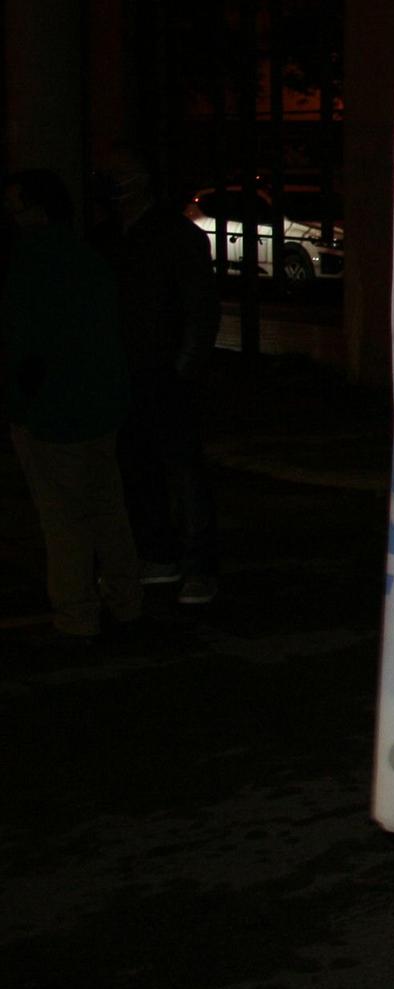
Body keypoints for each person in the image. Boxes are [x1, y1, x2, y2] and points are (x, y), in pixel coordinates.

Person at [3, 170, 144, 640]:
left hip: (52, 409)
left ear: (35, 211)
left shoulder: (27, 263)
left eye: (18, 206)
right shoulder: (89, 257)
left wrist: (19, 407)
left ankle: (77, 614)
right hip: (101, 403)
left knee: (62, 518)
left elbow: (20, 345)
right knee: (107, 506)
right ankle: (126, 599)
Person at [94, 150, 220, 605]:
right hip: (126, 372)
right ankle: (159, 555)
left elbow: (200, 306)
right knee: (137, 466)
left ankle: (197, 566)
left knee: (181, 469)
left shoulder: (174, 235)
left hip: (165, 371)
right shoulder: (110, 236)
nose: (114, 187)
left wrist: (184, 367)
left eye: (123, 177)